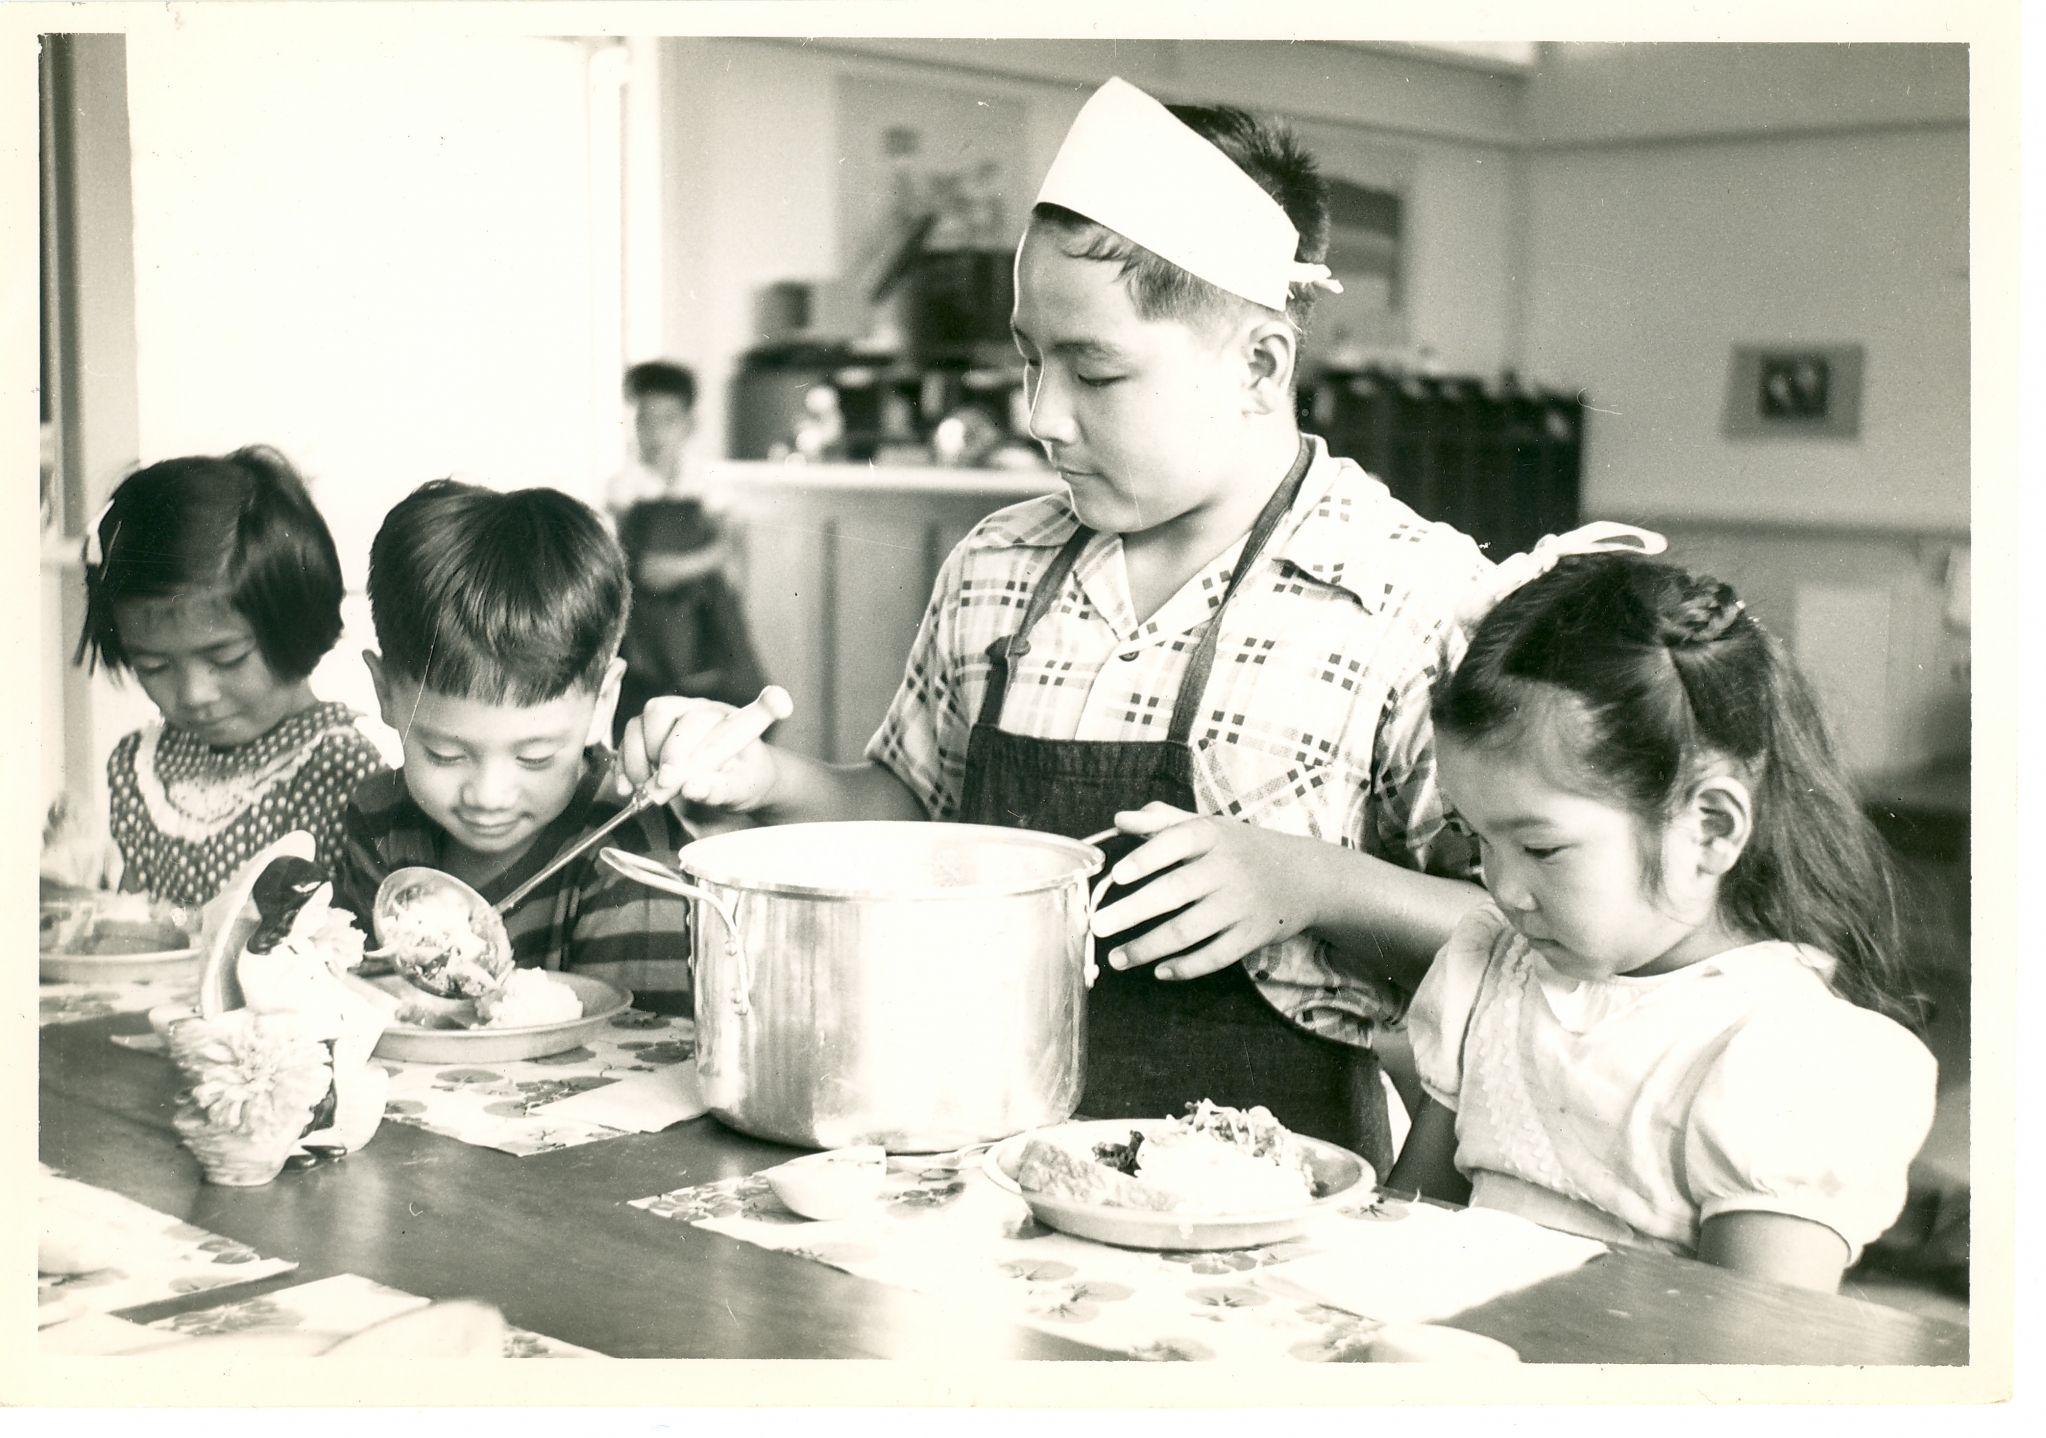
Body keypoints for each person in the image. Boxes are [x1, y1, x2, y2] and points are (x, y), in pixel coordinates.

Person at [620, 78, 1491, 1171]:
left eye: (1095, 371)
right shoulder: (997, 565)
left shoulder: (1410, 596)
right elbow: (917, 815)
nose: (1041, 415)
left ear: (1261, 365)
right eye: (1031, 359)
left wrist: (1310, 883)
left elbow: (1530, 943)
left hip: (1264, 1204)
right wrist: (765, 780)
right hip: (973, 1165)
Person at [1384, 534, 1937, 1293]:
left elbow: (1750, 1351)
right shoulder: (1489, 974)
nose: (1502, 888)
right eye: (1476, 837)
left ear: (1710, 828)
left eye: (1541, 849)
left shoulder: (1786, 1055)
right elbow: (1406, 1238)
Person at [332, 480, 693, 1010]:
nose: (489, 795)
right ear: (386, 693)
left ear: (603, 701)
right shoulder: (378, 822)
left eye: (534, 758)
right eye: (445, 754)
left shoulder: (627, 847)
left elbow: (642, 1044)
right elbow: (358, 1007)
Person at [77, 446, 387, 906]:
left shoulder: (344, 774)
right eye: (154, 666)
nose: (194, 694)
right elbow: (136, 918)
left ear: (294, 626)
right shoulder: (141, 769)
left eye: (227, 658)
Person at [607, 361, 769, 734]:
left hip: (698, 602)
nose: (655, 433)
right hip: (645, 610)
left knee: (724, 699)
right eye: (645, 421)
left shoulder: (703, 480)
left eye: (668, 420)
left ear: (689, 425)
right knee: (642, 703)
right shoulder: (626, 485)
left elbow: (728, 544)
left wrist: (683, 568)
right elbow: (625, 551)